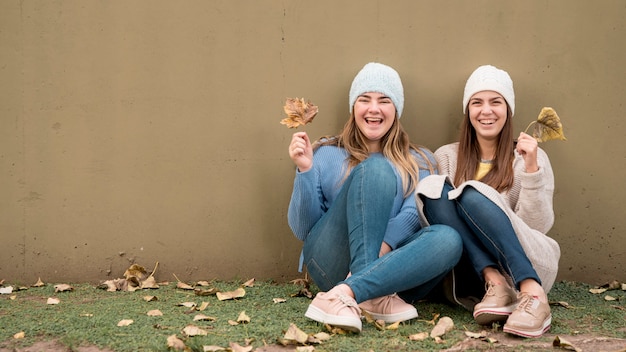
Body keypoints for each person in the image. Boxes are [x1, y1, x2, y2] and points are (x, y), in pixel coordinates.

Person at [287, 62, 462, 333]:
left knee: (448, 239)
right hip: (331, 265)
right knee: (376, 171)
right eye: (364, 99)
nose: (374, 108)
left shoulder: (422, 161)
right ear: (353, 107)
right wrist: (305, 170)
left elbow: (411, 216)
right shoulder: (325, 152)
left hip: (391, 272)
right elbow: (303, 229)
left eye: (384, 100)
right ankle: (369, 293)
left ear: (396, 109)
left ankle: (353, 292)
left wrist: (374, 265)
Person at [415, 65, 560, 338]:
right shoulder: (446, 157)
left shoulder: (530, 157)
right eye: (477, 102)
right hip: (473, 274)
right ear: (468, 111)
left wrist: (531, 172)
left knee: (471, 194)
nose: (486, 111)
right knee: (432, 188)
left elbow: (536, 227)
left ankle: (532, 293)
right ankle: (495, 282)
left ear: (508, 109)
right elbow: (436, 220)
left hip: (524, 263)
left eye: (496, 102)